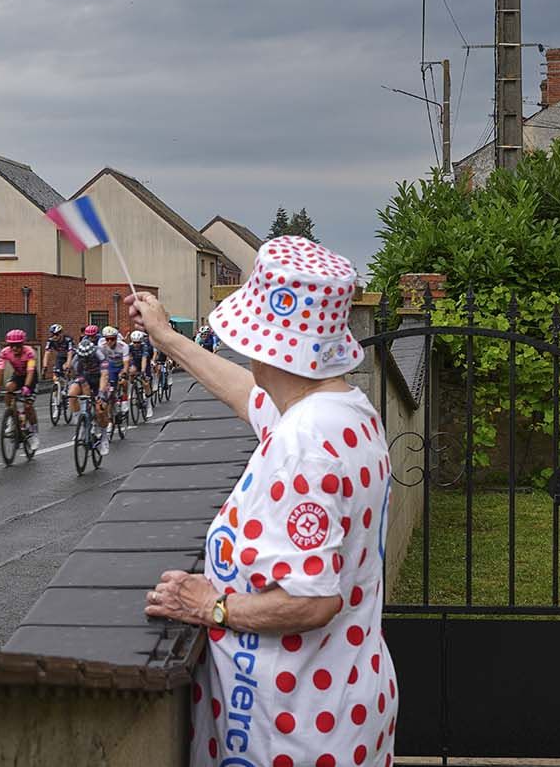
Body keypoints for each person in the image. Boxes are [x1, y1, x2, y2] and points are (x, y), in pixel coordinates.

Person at [134, 236, 392, 767]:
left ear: (267, 346)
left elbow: (313, 601)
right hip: (342, 703)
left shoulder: (305, 447)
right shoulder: (341, 408)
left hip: (292, 730)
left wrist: (210, 606)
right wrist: (167, 339)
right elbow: (250, 396)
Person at [0, 329, 41, 451]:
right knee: (9, 388)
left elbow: (30, 372)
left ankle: (34, 433)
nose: (14, 348)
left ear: (22, 344)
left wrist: (26, 387)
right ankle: (11, 416)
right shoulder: (5, 352)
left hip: (30, 378)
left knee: (28, 406)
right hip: (18, 375)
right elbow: (0, 371)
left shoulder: (30, 352)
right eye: (12, 345)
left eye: (17, 345)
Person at [65, 337, 110, 455]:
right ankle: (80, 424)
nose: (85, 361)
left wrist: (100, 394)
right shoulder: (77, 359)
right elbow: (79, 376)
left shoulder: (99, 353)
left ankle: (104, 437)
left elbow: (104, 375)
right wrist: (86, 392)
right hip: (86, 379)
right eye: (83, 359)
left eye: (88, 359)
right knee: (72, 393)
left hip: (99, 380)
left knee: (100, 410)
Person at [97, 325, 132, 423]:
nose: (109, 341)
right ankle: (113, 407)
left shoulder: (123, 346)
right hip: (111, 366)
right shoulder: (101, 344)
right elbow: (101, 361)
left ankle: (124, 400)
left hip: (121, 365)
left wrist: (124, 372)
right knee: (110, 390)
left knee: (123, 381)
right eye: (107, 339)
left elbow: (126, 363)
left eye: (112, 339)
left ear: (116, 338)